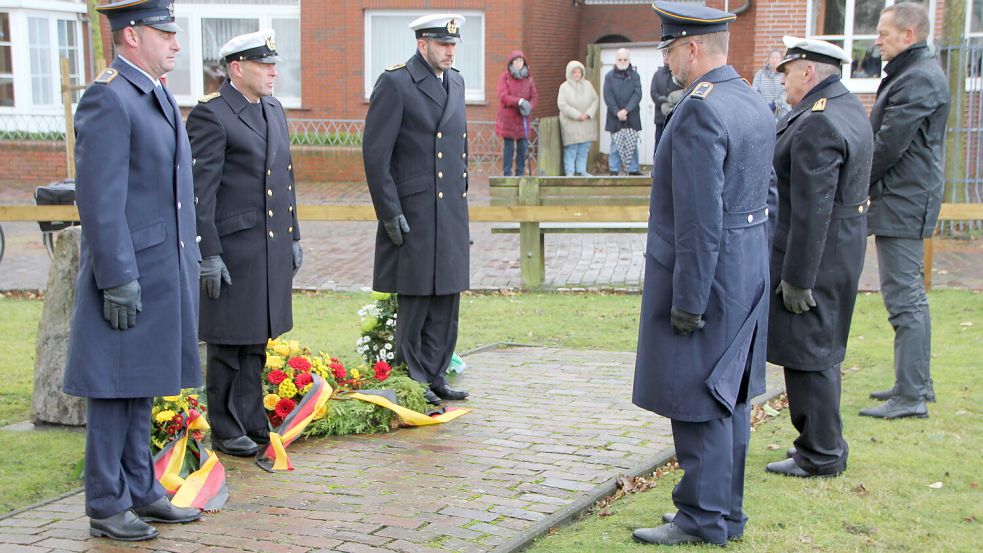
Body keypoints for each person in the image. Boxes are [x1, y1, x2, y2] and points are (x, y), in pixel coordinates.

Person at [632, 2, 775, 546]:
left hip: (706, 275)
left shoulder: (700, 110)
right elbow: (769, 199)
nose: (666, 60)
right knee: (729, 395)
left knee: (701, 400)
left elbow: (697, 218)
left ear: (692, 48)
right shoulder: (752, 102)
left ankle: (703, 518)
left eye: (669, 49)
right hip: (744, 270)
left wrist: (689, 298)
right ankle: (721, 512)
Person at [62, 0, 202, 541]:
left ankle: (142, 488)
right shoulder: (109, 97)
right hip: (127, 272)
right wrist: (117, 276)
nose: (176, 44)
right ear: (131, 35)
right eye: (165, 33)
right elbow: (100, 200)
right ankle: (105, 501)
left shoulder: (154, 92)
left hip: (160, 268)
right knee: (113, 388)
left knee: (140, 383)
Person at [186, 29, 301, 457]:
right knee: (228, 341)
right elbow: (200, 192)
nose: (274, 72)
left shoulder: (271, 108)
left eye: (274, 64)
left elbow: (284, 179)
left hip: (267, 244)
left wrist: (294, 234)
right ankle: (225, 423)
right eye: (264, 65)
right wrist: (207, 251)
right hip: (232, 247)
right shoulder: (212, 115)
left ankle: (252, 417)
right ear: (237, 69)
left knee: (257, 337)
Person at [765, 37, 873, 479]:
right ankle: (820, 444)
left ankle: (821, 451)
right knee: (820, 349)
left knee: (810, 352)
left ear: (807, 71)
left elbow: (812, 208)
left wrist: (797, 278)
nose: (784, 82)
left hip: (817, 255)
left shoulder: (819, 122)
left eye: (787, 72)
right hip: (839, 248)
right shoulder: (846, 108)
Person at [363, 14, 470, 406]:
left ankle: (437, 373)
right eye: (443, 44)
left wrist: (462, 188)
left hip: (450, 211)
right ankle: (414, 377)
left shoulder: (455, 80)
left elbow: (459, 142)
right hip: (415, 209)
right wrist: (388, 211)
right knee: (417, 297)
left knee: (447, 294)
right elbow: (376, 156)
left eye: (454, 44)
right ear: (422, 44)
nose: (450, 50)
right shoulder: (396, 83)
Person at [860, 2, 949, 419]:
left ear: (908, 35)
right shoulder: (913, 74)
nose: (877, 39)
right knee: (908, 294)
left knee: (903, 296)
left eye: (883, 32)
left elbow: (889, 144)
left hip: (904, 199)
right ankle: (916, 383)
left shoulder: (918, 79)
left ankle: (911, 395)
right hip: (904, 195)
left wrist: (854, 181)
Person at [496, 50, 538, 176]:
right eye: (516, 61)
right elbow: (503, 96)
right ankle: (507, 174)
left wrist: (529, 106)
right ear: (511, 63)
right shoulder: (505, 77)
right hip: (508, 119)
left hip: (523, 119)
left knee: (522, 148)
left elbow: (534, 96)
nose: (518, 63)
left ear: (524, 62)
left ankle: (520, 174)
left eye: (520, 61)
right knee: (508, 148)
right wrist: (519, 101)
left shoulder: (529, 79)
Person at [603, 48, 643, 175]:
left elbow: (637, 95)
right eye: (620, 59)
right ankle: (613, 169)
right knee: (615, 144)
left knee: (632, 144)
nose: (622, 61)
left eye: (625, 59)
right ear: (615, 60)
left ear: (629, 60)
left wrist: (626, 110)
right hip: (615, 116)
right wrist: (617, 112)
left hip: (632, 115)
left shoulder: (635, 75)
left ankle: (633, 169)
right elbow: (607, 96)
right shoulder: (609, 76)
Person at [557, 60, 598, 176]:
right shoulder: (564, 87)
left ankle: (581, 170)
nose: (577, 74)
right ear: (570, 73)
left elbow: (595, 100)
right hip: (572, 124)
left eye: (579, 72)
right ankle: (569, 173)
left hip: (586, 123)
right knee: (571, 150)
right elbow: (562, 104)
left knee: (584, 149)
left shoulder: (588, 85)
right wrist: (577, 115)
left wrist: (588, 113)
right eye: (574, 72)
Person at [649, 56, 681, 150]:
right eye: (664, 55)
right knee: (659, 143)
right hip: (660, 118)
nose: (666, 57)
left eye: (669, 55)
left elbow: (684, 92)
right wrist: (663, 102)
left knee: (673, 144)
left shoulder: (679, 74)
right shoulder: (657, 75)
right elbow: (653, 92)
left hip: (675, 117)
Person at [752, 49, 790, 119]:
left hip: (781, 113)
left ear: (781, 60)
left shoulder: (785, 75)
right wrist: (762, 105)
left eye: (776, 58)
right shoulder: (760, 74)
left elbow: (786, 92)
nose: (774, 60)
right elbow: (754, 91)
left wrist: (774, 104)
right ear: (768, 59)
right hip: (763, 112)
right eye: (772, 57)